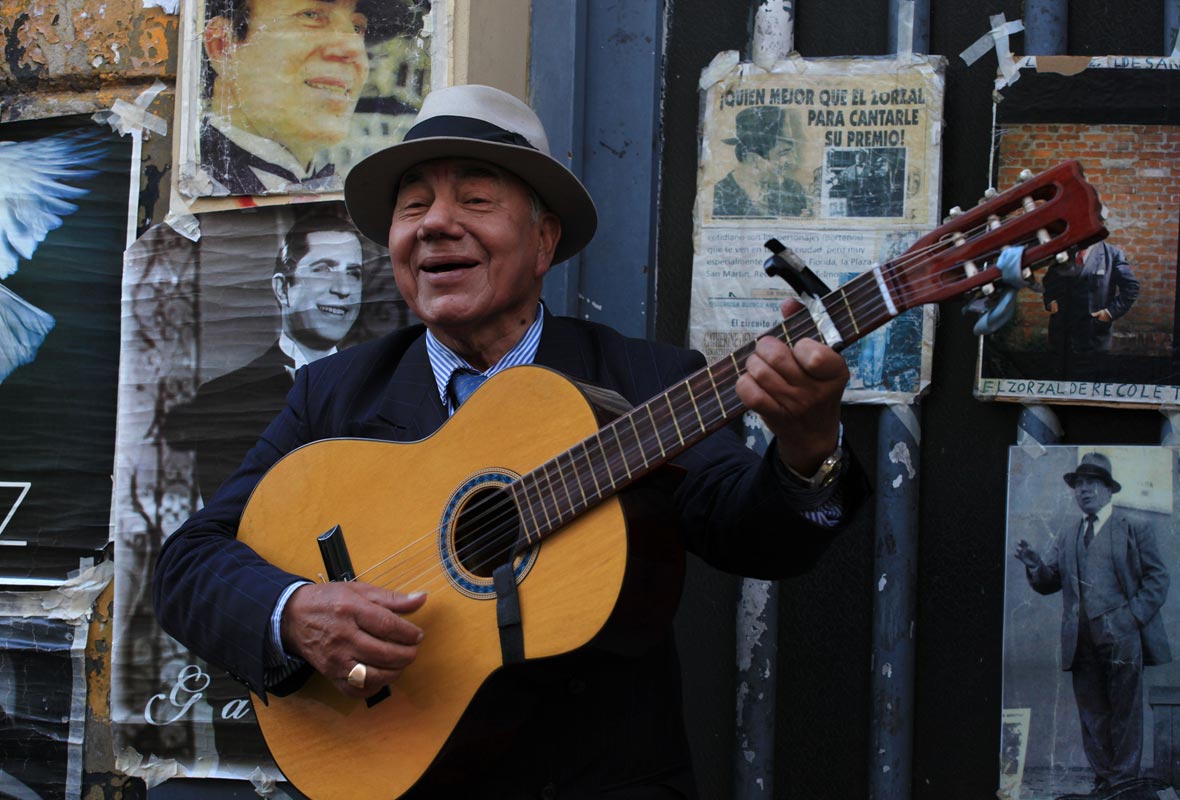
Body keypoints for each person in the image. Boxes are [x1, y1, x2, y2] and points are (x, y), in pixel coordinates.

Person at [154, 84, 865, 797]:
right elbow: (187, 566)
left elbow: (753, 535)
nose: (436, 224)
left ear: (543, 242)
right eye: (414, 205)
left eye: (475, 199)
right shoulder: (335, 392)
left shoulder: (646, 380)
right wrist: (295, 611)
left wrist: (809, 452)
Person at [165, 205, 364, 500]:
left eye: (354, 273)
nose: (343, 289)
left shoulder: (380, 385)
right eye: (323, 269)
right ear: (283, 289)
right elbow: (229, 522)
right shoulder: (221, 402)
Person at [1013, 452, 1170, 796]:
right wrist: (1035, 564)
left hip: (1123, 636)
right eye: (1078, 485)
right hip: (1080, 640)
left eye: (1092, 484)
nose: (1083, 491)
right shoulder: (1068, 534)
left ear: (1108, 490)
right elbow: (1048, 582)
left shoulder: (1134, 527)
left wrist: (1131, 617)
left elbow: (1158, 579)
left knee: (1125, 712)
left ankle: (1124, 783)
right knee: (1093, 714)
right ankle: (1105, 781)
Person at [198, 0, 408, 195]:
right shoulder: (196, 176)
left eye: (357, 28)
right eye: (311, 15)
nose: (352, 49)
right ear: (223, 46)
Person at [1042, 242, 1139, 379]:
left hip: (1093, 336)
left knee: (1089, 385)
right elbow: (1049, 281)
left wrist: (1109, 313)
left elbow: (1131, 288)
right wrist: (1050, 300)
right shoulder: (1065, 252)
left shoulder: (1111, 254)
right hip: (1061, 337)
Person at [712, 105, 808, 218]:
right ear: (754, 160)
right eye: (783, 153)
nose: (793, 161)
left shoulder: (793, 190)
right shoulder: (719, 195)